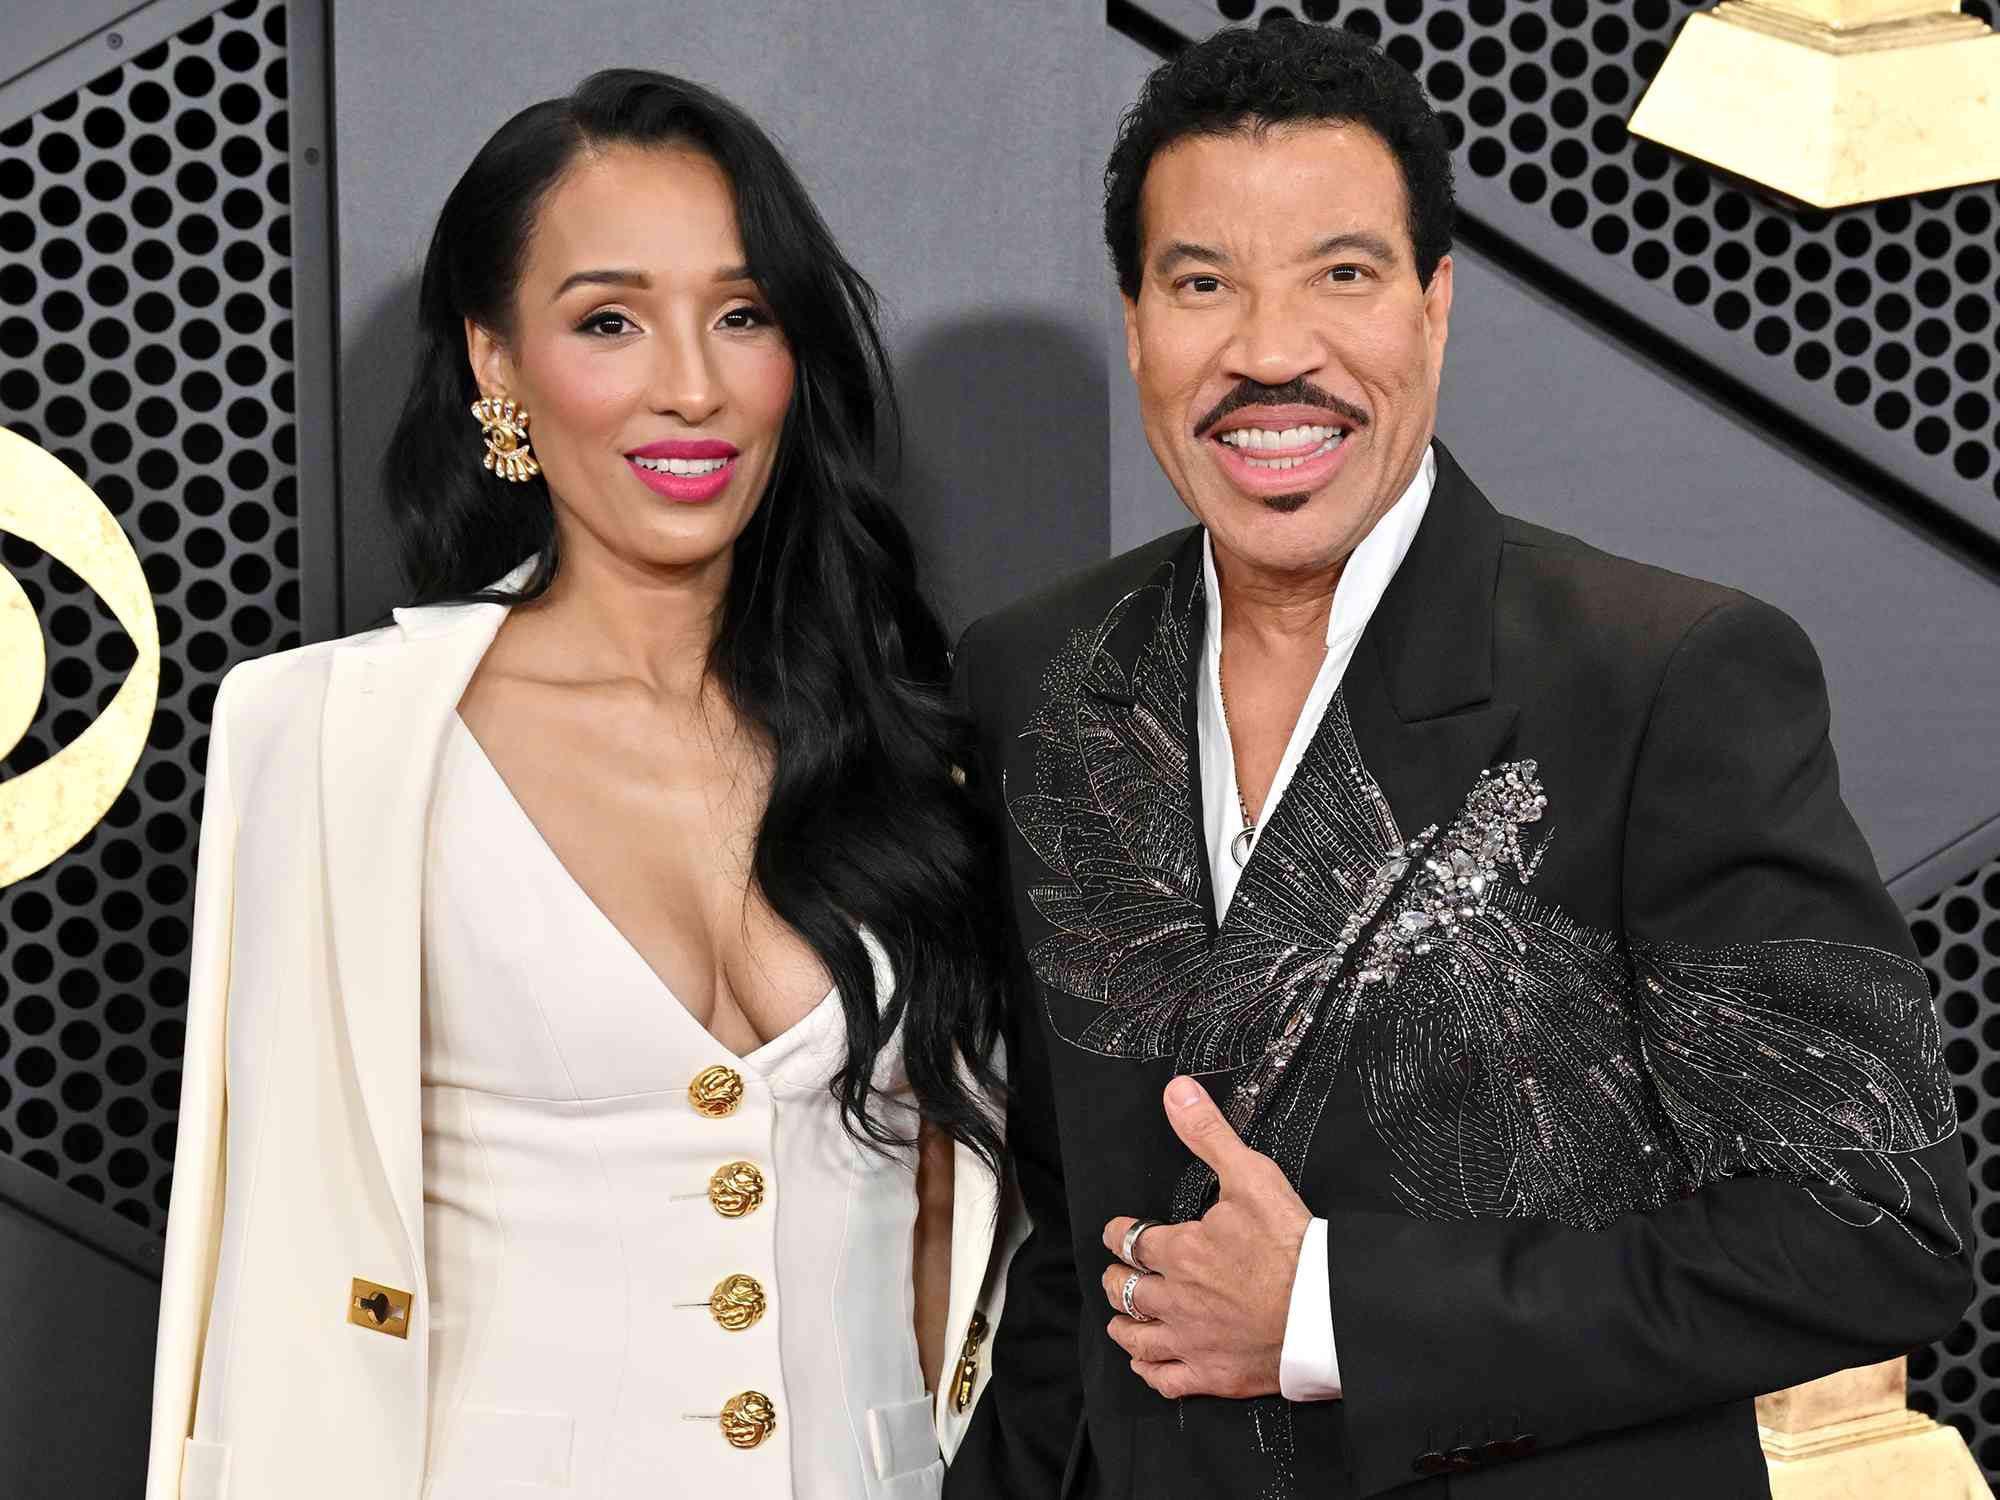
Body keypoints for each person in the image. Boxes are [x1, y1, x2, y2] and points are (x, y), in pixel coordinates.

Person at [943, 20, 1973, 1500]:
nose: (1270, 351)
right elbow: (1068, 1239)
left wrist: (1327, 1312)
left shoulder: (1662, 675)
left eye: (1341, 274)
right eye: (1202, 283)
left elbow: (1874, 1223)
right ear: (1133, 323)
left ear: (1436, 307)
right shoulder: (1035, 671)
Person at [146, 69, 1016, 1500]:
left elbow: (945, 1240)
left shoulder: (921, 749)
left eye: (743, 314)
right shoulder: (331, 743)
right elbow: (269, 1277)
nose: (692, 381)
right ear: (498, 364)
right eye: (609, 320)